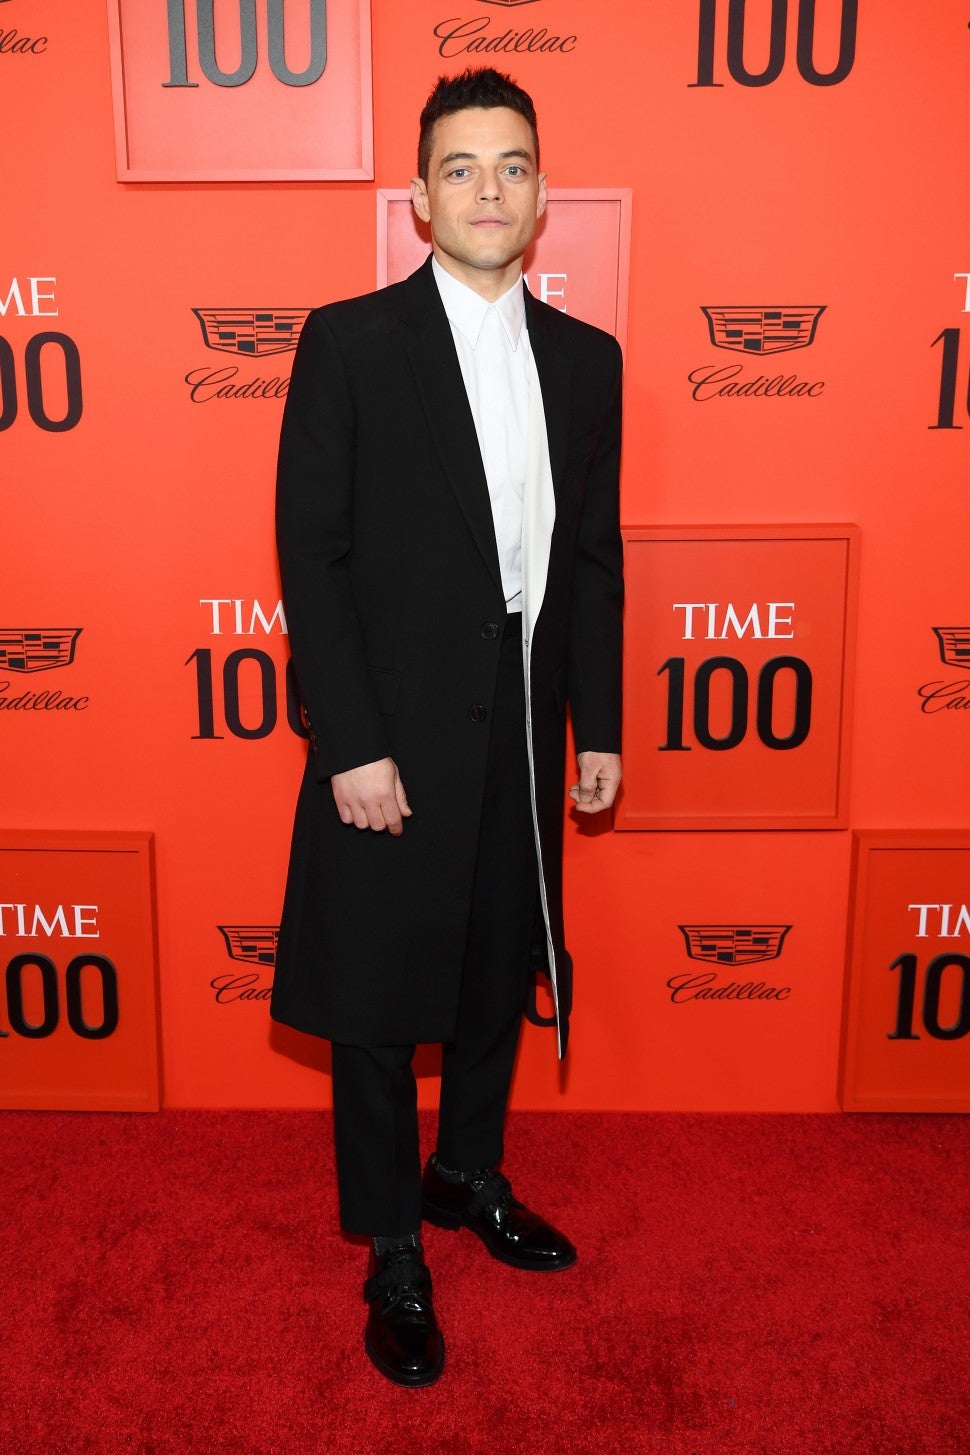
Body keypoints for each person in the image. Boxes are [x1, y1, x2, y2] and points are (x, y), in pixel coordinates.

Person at [272, 67, 623, 1387]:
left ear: (541, 196)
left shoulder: (588, 362)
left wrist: (597, 723)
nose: (489, 188)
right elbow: (313, 556)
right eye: (461, 167)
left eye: (512, 166)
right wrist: (351, 742)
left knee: (495, 969)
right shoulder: (351, 343)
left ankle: (466, 1171)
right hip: (393, 724)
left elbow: (591, 558)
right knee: (375, 1000)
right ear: (419, 200)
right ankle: (390, 1250)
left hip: (524, 716)